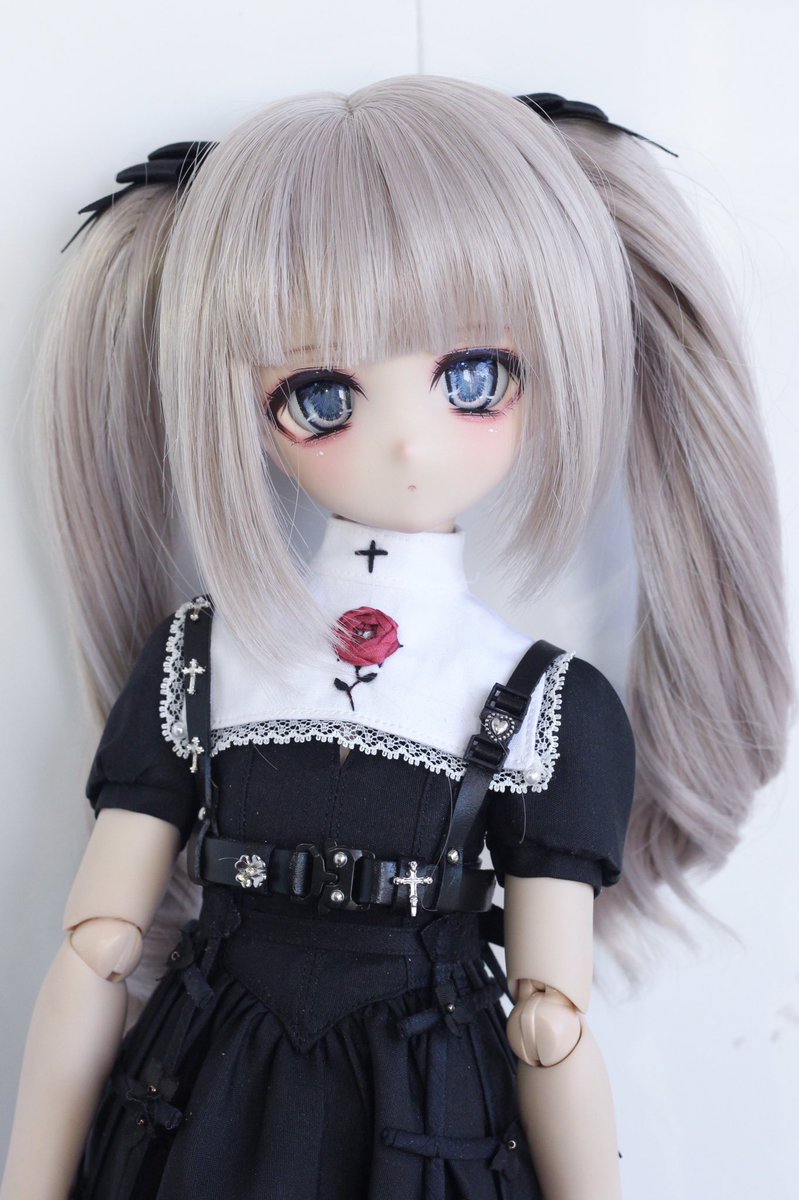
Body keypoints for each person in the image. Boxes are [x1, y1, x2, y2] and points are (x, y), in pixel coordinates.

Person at [1, 75, 789, 1200]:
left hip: (425, 1110)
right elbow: (97, 947)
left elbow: (551, 1020)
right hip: (209, 1095)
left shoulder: (538, 702)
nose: (410, 443)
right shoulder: (202, 659)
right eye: (322, 395)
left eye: (473, 378)